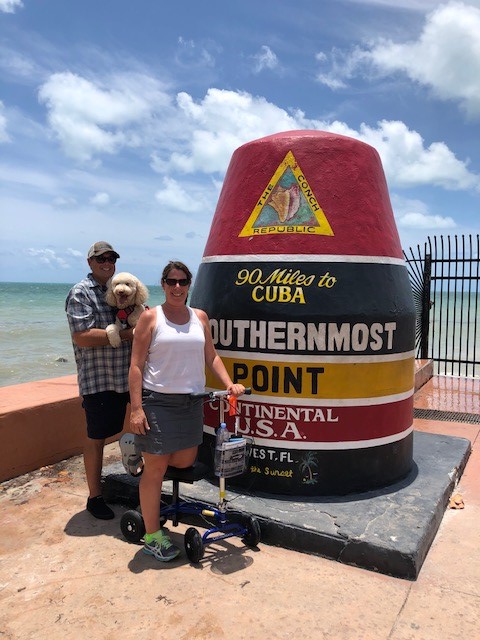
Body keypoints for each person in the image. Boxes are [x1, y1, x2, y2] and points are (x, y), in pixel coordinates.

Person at [128, 260, 245, 562]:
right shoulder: (150, 318)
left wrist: (230, 383)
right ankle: (152, 535)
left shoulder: (200, 318)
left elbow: (211, 356)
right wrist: (137, 409)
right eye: (171, 281)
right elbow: (137, 367)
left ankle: (139, 453)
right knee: (156, 469)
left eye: (182, 282)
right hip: (158, 403)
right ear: (163, 284)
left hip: (192, 404)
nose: (177, 287)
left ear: (189, 284)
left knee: (183, 461)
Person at [65, 241, 134, 520]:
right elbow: (81, 336)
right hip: (100, 379)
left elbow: (144, 315)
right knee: (97, 437)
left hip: (129, 377)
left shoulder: (122, 289)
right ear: (90, 262)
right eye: (101, 258)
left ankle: (141, 484)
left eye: (111, 258)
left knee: (137, 432)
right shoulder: (80, 293)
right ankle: (95, 496)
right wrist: (129, 335)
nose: (107, 262)